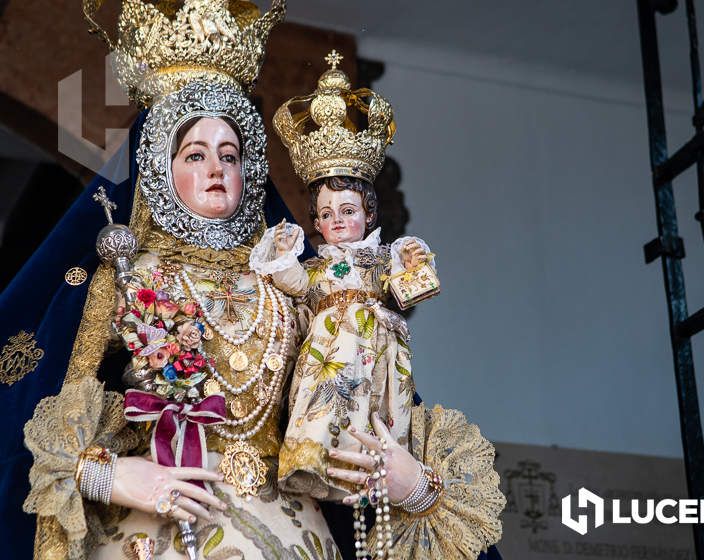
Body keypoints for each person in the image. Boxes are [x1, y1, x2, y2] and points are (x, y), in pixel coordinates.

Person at [10, 3, 505, 559]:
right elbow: (26, 421)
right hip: (163, 531)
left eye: (231, 154)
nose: (217, 169)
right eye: (195, 154)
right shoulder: (124, 276)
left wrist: (414, 485)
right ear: (157, 166)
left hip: (294, 536)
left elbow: (361, 401)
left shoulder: (291, 279)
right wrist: (112, 476)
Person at [251, 83, 434, 499]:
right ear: (315, 220)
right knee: (320, 397)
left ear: (369, 214)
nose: (336, 221)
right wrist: (281, 255)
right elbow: (296, 283)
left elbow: (413, 286)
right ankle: (313, 460)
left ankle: (371, 468)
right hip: (326, 349)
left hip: (375, 344)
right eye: (326, 214)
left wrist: (411, 259)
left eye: (348, 212)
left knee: (373, 411)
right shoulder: (317, 267)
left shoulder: (381, 257)